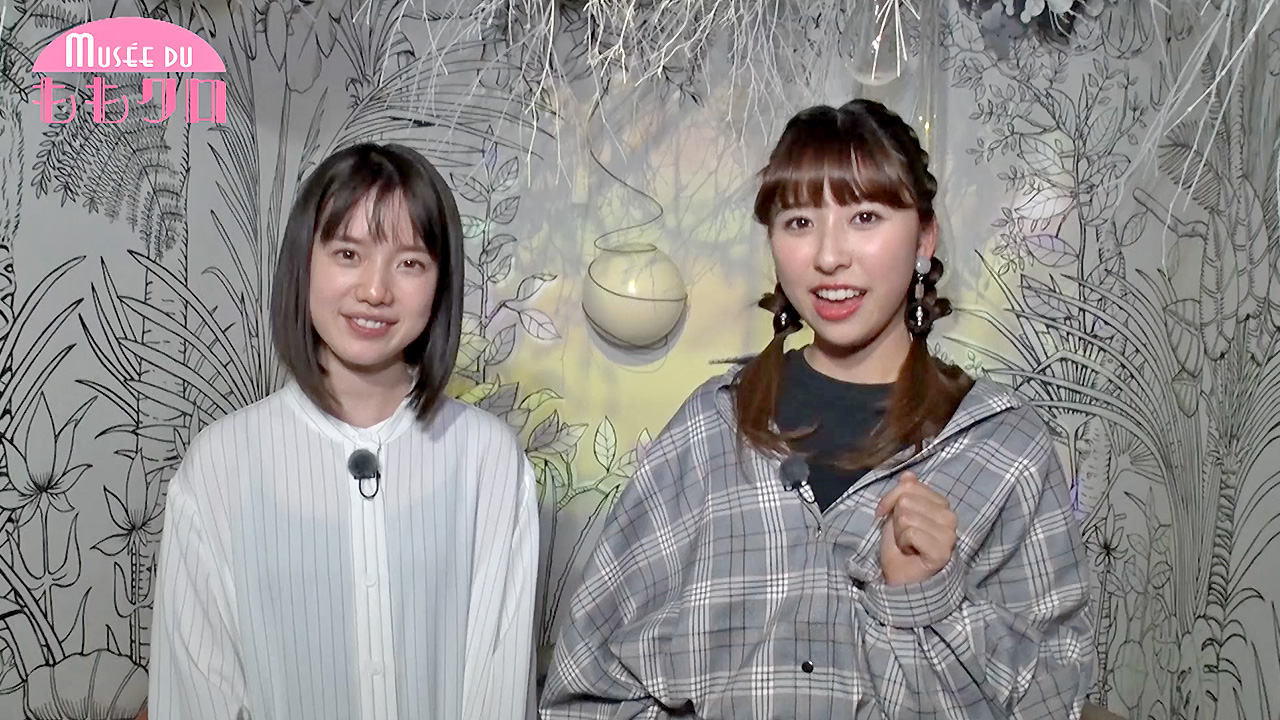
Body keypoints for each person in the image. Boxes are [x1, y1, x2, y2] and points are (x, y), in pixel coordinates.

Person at [540, 100, 1095, 719]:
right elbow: (584, 686)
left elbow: (1056, 701)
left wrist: (932, 600)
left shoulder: (1006, 449)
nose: (829, 257)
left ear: (924, 239)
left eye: (865, 216)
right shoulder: (710, 429)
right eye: (800, 221)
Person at [148, 142, 539, 719]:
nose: (376, 290)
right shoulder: (219, 466)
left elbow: (498, 692)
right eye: (348, 253)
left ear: (440, 284)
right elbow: (195, 696)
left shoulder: (489, 461)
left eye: (410, 263)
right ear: (304, 263)